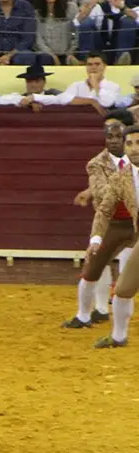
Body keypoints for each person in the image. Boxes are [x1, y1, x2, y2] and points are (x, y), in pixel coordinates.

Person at [67, 110, 137, 329]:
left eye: (118, 133)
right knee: (92, 268)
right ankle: (85, 315)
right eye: (109, 134)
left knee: (128, 267)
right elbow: (102, 192)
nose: (114, 138)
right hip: (113, 222)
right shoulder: (97, 163)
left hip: (135, 222)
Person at [90, 125, 139, 348]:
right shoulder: (122, 178)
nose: (134, 148)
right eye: (129, 144)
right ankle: (119, 337)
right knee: (122, 291)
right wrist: (96, 239)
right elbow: (105, 209)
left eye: (138, 143)